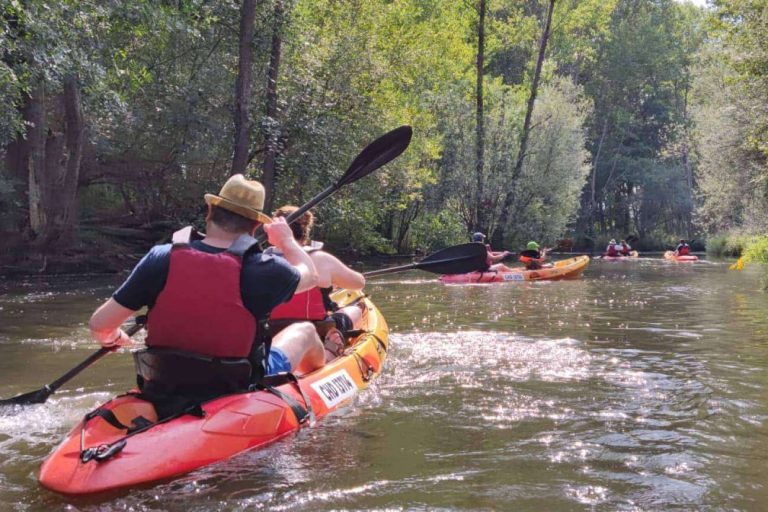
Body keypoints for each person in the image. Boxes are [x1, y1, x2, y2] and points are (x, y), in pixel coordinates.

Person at [88, 174, 323, 410]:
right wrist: (287, 241)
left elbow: (100, 325)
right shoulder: (267, 269)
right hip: (236, 386)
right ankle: (320, 379)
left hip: (163, 384)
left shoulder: (160, 258)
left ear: (210, 212)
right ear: (255, 226)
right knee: (306, 331)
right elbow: (310, 275)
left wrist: (113, 337)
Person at [269, 205, 366, 361]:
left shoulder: (261, 259)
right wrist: (333, 278)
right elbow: (359, 283)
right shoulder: (320, 258)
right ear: (305, 231)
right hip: (317, 332)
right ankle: (332, 347)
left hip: (271, 332)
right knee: (356, 310)